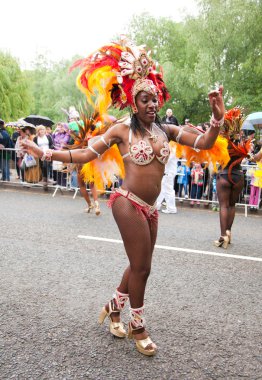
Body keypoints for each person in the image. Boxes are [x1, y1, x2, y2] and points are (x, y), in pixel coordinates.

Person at [22, 38, 225, 356]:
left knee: (138, 264)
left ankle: (114, 307)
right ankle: (138, 325)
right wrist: (43, 152)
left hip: (151, 208)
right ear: (134, 104)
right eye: (145, 100)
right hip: (127, 202)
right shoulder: (122, 130)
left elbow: (205, 141)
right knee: (142, 267)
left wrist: (217, 116)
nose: (152, 105)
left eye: (155, 99)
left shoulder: (165, 131)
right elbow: (86, 153)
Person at [214, 107, 258, 249]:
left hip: (224, 176)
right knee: (232, 205)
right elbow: (254, 158)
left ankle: (222, 236)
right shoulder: (242, 144)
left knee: (224, 205)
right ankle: (229, 233)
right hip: (238, 177)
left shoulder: (222, 143)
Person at [156, 144, 178, 213]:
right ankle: (157, 205)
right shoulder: (173, 147)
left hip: (169, 172)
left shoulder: (173, 148)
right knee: (162, 189)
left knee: (168, 189)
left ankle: (171, 208)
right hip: (168, 171)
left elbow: (167, 159)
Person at [33, 125, 54, 190]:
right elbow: (34, 146)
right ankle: (45, 179)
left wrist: (49, 150)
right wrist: (39, 148)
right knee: (43, 166)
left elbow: (52, 144)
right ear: (38, 131)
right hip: (41, 154)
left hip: (48, 154)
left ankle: (45, 180)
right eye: (40, 130)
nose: (42, 131)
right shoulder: (36, 138)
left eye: (43, 129)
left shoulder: (48, 136)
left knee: (46, 166)